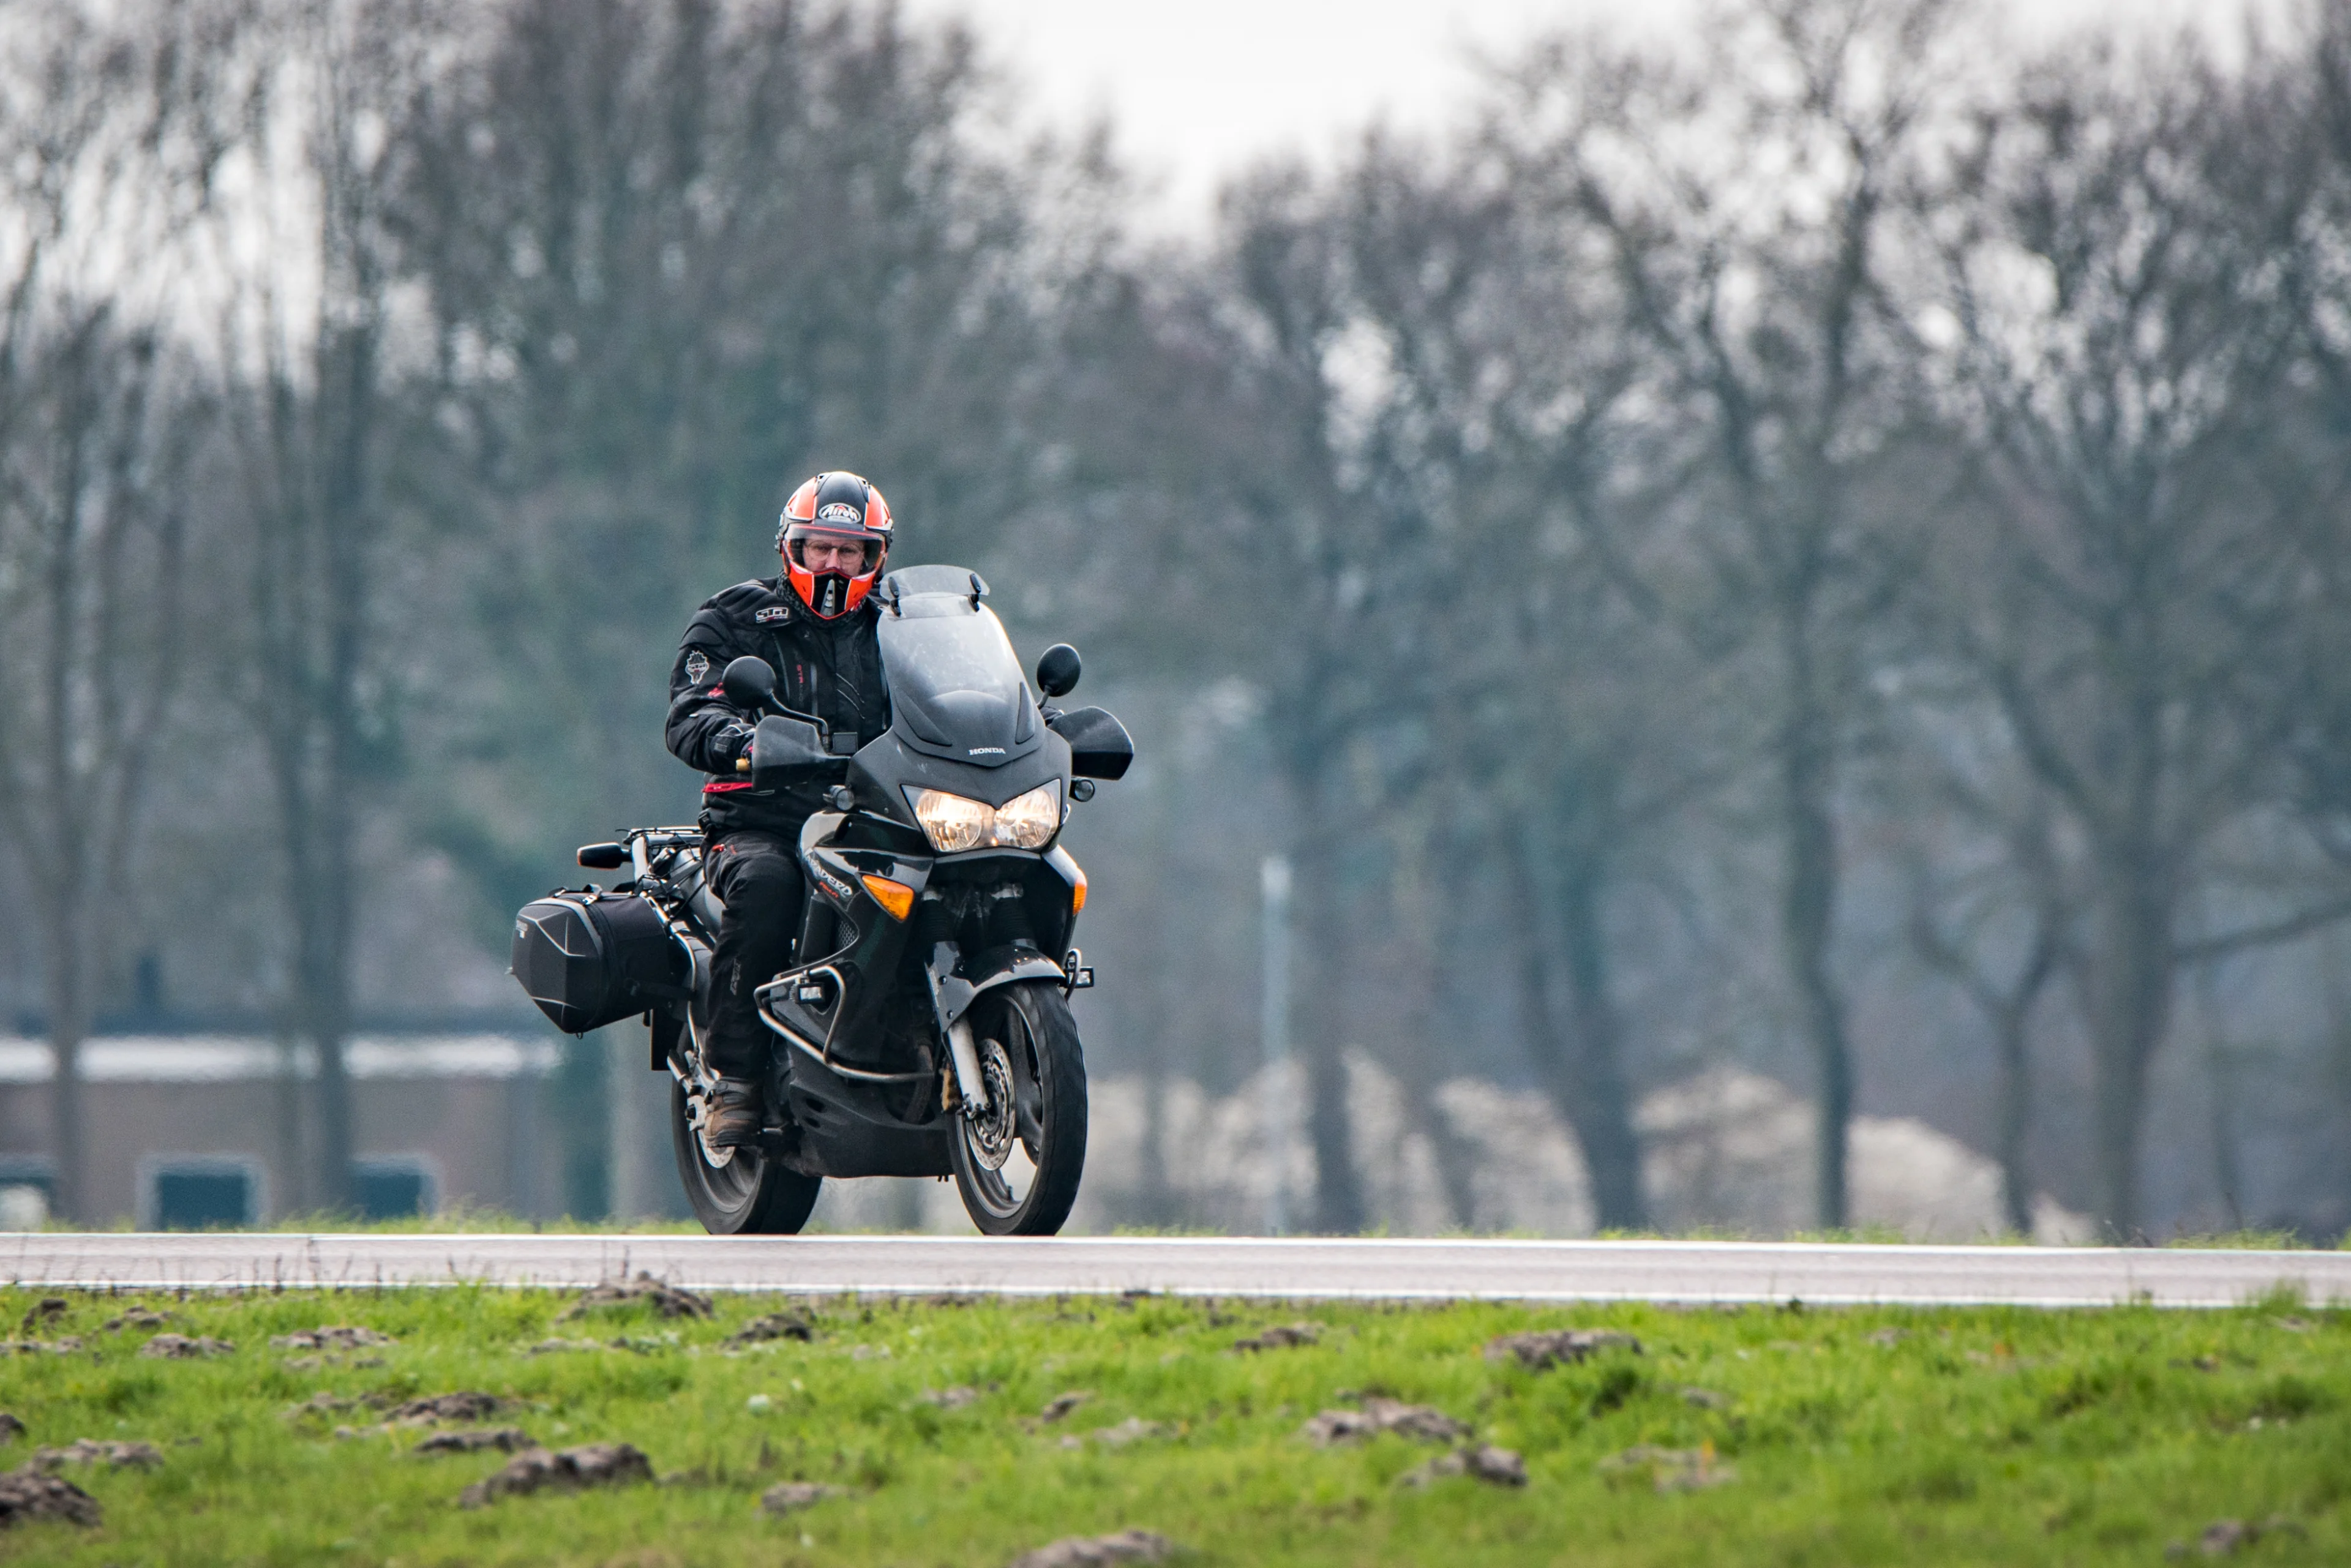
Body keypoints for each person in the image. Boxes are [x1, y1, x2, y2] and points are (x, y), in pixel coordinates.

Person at [665, 470, 894, 1146]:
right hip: (762, 821)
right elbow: (689, 712)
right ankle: (734, 1075)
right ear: (790, 547)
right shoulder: (734, 617)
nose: (832, 562)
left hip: (880, 818)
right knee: (768, 886)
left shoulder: (904, 624)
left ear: (874, 558)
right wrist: (739, 738)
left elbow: (961, 691)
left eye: (849, 550)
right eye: (819, 545)